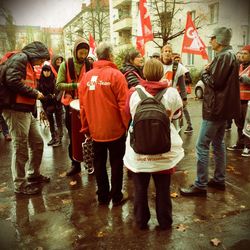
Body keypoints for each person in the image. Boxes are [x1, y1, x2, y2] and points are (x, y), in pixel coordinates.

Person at [123, 58, 184, 230]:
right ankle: (165, 221)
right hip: (164, 150)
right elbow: (178, 115)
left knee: (140, 188)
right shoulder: (172, 93)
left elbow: (127, 114)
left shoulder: (133, 93)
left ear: (144, 73)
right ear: (162, 73)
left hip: (139, 151)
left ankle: (141, 221)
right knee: (163, 189)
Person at [180, 27, 240, 196]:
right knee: (218, 143)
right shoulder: (229, 56)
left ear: (219, 40)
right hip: (223, 109)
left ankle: (200, 185)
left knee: (202, 145)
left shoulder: (223, 57)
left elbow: (215, 83)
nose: (210, 41)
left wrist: (205, 73)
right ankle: (219, 180)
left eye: (212, 38)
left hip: (215, 109)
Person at [79, 42, 129, 206]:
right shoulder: (116, 75)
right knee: (116, 162)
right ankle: (116, 195)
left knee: (99, 163)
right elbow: (124, 105)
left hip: (95, 131)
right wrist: (126, 125)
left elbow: (83, 107)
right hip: (115, 130)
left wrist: (86, 127)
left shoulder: (86, 77)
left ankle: (102, 196)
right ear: (111, 55)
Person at [2, 41, 51, 195]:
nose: (42, 63)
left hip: (25, 110)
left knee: (37, 143)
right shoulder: (20, 58)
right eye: (41, 59)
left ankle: (33, 174)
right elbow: (12, 80)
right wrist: (34, 93)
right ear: (35, 54)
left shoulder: (26, 62)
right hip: (15, 110)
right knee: (20, 146)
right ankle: (20, 184)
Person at [56, 38, 92, 176]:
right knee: (73, 136)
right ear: (75, 51)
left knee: (89, 135)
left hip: (86, 105)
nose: (83, 56)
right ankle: (75, 164)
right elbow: (59, 85)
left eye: (85, 53)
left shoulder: (89, 65)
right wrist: (75, 85)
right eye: (81, 53)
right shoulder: (65, 65)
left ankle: (90, 163)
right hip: (70, 105)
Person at [161, 44, 193, 133]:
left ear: (172, 54)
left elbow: (182, 84)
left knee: (174, 126)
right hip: (160, 98)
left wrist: (184, 98)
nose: (167, 53)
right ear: (162, 53)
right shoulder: (157, 65)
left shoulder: (177, 66)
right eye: (165, 51)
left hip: (172, 99)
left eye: (169, 51)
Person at [227, 45, 250, 157]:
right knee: (239, 123)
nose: (242, 55)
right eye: (241, 53)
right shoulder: (239, 66)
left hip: (248, 102)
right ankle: (240, 143)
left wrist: (246, 79)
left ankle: (248, 146)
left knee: (248, 125)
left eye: (245, 53)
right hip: (238, 100)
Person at [38, 64, 63, 147]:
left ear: (50, 71)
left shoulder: (55, 80)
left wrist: (55, 97)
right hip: (47, 105)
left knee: (59, 122)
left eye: (48, 70)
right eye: (44, 71)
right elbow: (39, 94)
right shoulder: (40, 81)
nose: (46, 72)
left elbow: (60, 91)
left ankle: (59, 139)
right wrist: (46, 98)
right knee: (51, 122)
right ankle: (53, 138)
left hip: (56, 104)